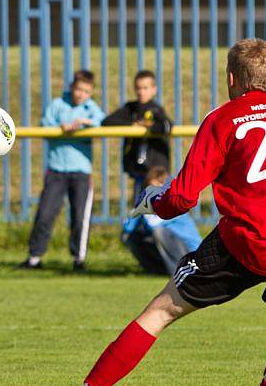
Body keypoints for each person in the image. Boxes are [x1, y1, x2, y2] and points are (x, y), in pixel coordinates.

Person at [40, 38, 266, 386]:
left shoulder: (223, 119)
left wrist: (152, 201)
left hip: (248, 244)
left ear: (232, 78)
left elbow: (181, 199)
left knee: (160, 311)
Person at [19, 70, 105, 271]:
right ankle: (34, 258)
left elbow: (102, 121)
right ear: (71, 88)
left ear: (90, 92)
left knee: (79, 218)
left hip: (81, 172)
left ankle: (79, 259)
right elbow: (45, 125)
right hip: (56, 170)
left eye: (86, 91)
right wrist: (61, 127)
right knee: (45, 214)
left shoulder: (91, 109)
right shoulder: (57, 105)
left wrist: (85, 123)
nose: (81, 94)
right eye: (78, 89)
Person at [103, 70, 172, 201]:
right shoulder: (130, 109)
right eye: (138, 88)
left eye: (145, 88)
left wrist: (149, 126)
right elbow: (107, 122)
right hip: (139, 170)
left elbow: (167, 126)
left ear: (154, 89)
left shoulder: (156, 109)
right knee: (139, 206)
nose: (141, 92)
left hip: (156, 170)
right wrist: (132, 124)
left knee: (158, 208)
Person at [121, 166, 202, 275]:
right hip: (172, 247)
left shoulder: (174, 204)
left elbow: (153, 225)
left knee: (158, 232)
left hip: (191, 253)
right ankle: (156, 271)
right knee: (128, 237)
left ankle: (178, 272)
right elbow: (128, 228)